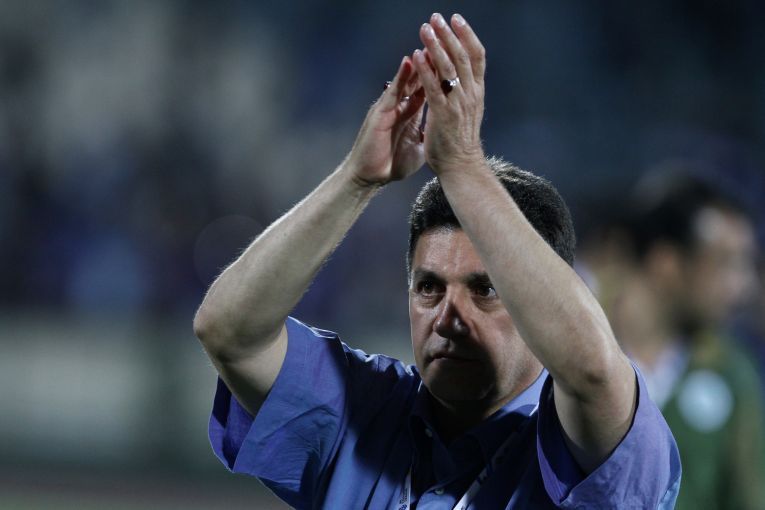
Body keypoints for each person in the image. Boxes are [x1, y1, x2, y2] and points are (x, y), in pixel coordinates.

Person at [194, 13, 680, 509]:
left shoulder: (582, 444)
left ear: (535, 301)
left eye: (485, 290)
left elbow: (593, 372)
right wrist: (357, 180)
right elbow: (228, 331)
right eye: (429, 288)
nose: (449, 317)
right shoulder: (363, 411)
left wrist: (463, 167)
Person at [610, 170, 765, 510]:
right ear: (666, 263)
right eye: (725, 263)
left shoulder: (732, 373)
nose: (742, 287)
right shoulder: (580, 351)